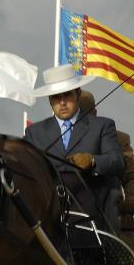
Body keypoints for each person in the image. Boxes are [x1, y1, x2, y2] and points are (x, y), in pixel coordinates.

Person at [24, 64, 124, 232]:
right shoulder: (34, 132)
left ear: (78, 93)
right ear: (49, 100)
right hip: (47, 212)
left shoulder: (102, 126)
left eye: (67, 95)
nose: (62, 102)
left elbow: (117, 161)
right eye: (56, 97)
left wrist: (92, 160)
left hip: (90, 210)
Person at [79, 91, 134, 250]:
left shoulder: (116, 139)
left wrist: (133, 201)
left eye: (85, 116)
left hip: (112, 222)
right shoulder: (57, 139)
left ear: (95, 114)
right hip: (69, 219)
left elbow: (133, 177)